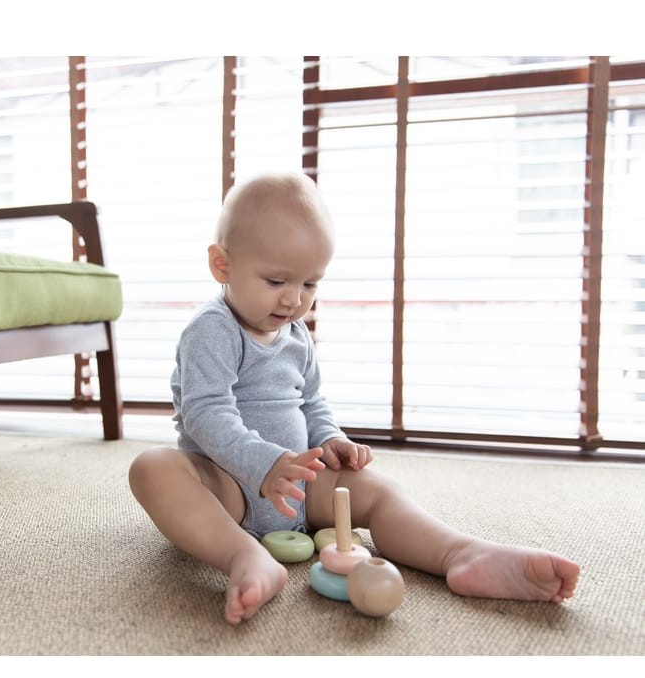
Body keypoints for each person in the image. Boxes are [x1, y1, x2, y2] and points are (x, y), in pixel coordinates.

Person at [128, 171, 581, 625]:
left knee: (378, 490)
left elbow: (311, 402)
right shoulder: (212, 330)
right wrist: (264, 465)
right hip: (229, 491)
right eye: (276, 280)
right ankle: (242, 556)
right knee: (153, 468)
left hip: (303, 488)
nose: (294, 300)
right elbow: (205, 412)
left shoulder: (295, 334)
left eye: (310, 284)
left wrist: (330, 439)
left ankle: (460, 553)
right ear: (222, 265)